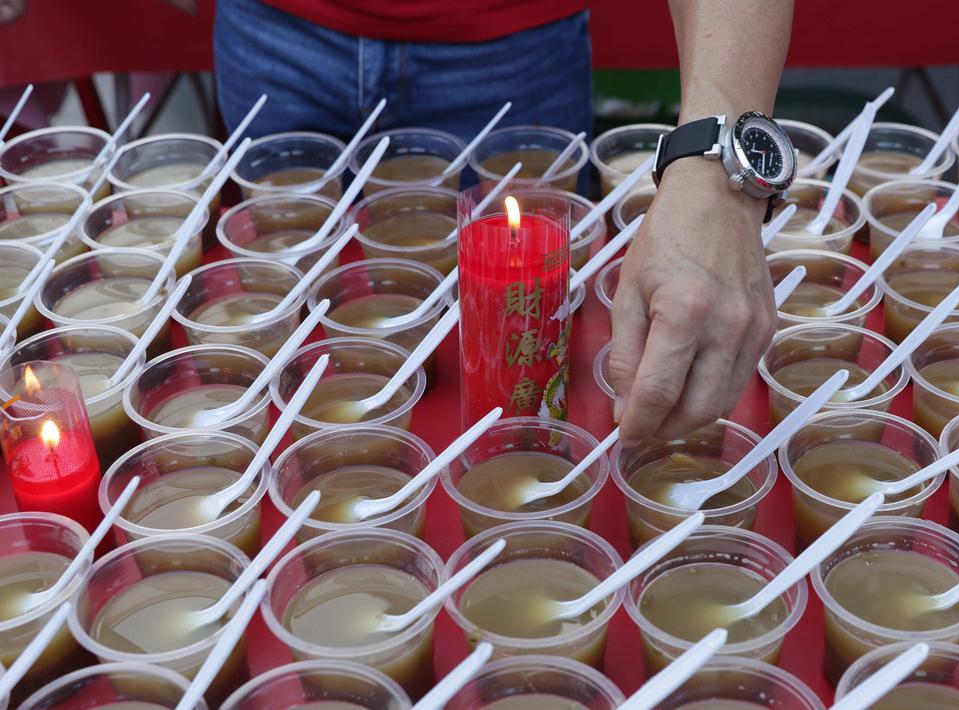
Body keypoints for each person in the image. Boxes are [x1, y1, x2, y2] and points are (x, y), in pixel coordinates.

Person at [212, 0, 793, 445]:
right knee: (284, 324)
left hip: (513, 45)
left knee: (532, 329)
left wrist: (717, 174)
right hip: (272, 32)